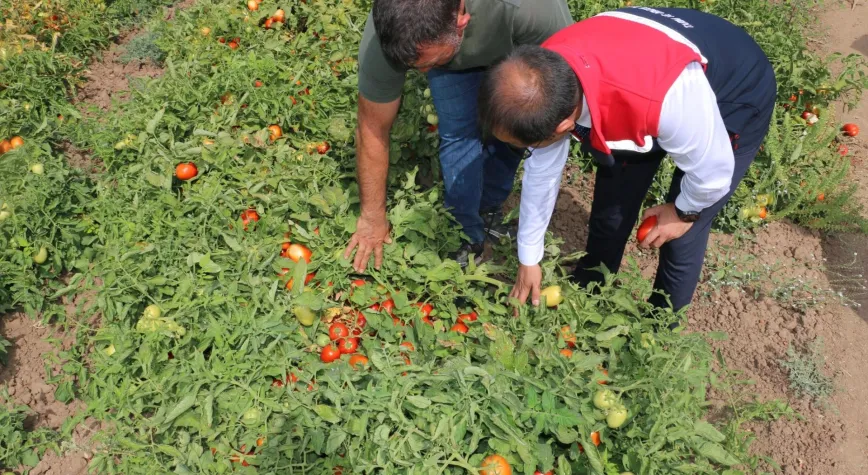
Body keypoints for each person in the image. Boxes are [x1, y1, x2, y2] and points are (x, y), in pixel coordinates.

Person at [477, 6, 777, 314]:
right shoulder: (543, 78)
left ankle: (660, 326)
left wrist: (684, 211)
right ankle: (591, 285)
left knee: (682, 233)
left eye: (525, 146)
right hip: (645, 74)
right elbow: (542, 173)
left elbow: (713, 174)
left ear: (563, 127)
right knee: (613, 202)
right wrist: (529, 258)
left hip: (734, 87)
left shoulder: (665, 98)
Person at [343, 0, 574, 273]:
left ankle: (489, 207)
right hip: (453, 51)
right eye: (415, 66)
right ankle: (466, 232)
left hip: (517, 48)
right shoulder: (392, 26)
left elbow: (561, 88)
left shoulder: (529, 10)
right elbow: (372, 127)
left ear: (461, 19)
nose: (423, 74)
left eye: (429, 63)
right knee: (459, 133)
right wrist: (372, 218)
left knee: (515, 127)